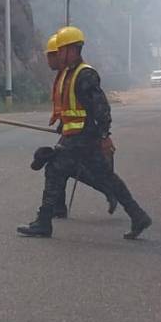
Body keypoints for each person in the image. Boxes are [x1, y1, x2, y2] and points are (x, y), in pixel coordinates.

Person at [18, 26, 152, 239]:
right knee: (106, 177)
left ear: (73, 50)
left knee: (55, 167)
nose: (59, 54)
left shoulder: (85, 74)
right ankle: (138, 215)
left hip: (84, 138)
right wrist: (64, 125)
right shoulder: (69, 74)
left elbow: (100, 107)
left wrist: (104, 136)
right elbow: (75, 108)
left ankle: (44, 222)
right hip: (76, 136)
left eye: (62, 50)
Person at [44, 34, 118, 218]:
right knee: (60, 166)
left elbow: (96, 106)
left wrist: (103, 134)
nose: (49, 59)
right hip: (74, 132)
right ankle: (57, 207)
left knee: (63, 166)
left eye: (52, 55)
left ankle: (112, 192)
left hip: (83, 134)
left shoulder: (79, 75)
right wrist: (64, 123)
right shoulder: (64, 75)